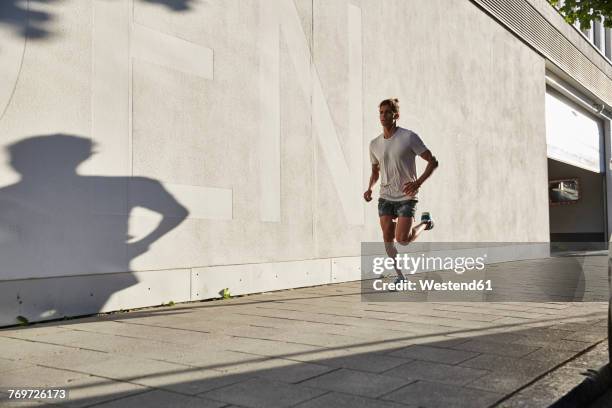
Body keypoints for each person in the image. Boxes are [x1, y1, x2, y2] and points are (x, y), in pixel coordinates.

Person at [363, 98, 439, 283]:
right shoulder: (374, 144)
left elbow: (432, 161)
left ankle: (425, 223)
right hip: (385, 198)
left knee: (403, 240)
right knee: (388, 241)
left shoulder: (408, 137)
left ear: (396, 115)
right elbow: (375, 171)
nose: (383, 116)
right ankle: (401, 276)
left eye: (387, 112)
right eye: (380, 112)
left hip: (407, 197)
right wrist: (370, 188)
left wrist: (418, 182)